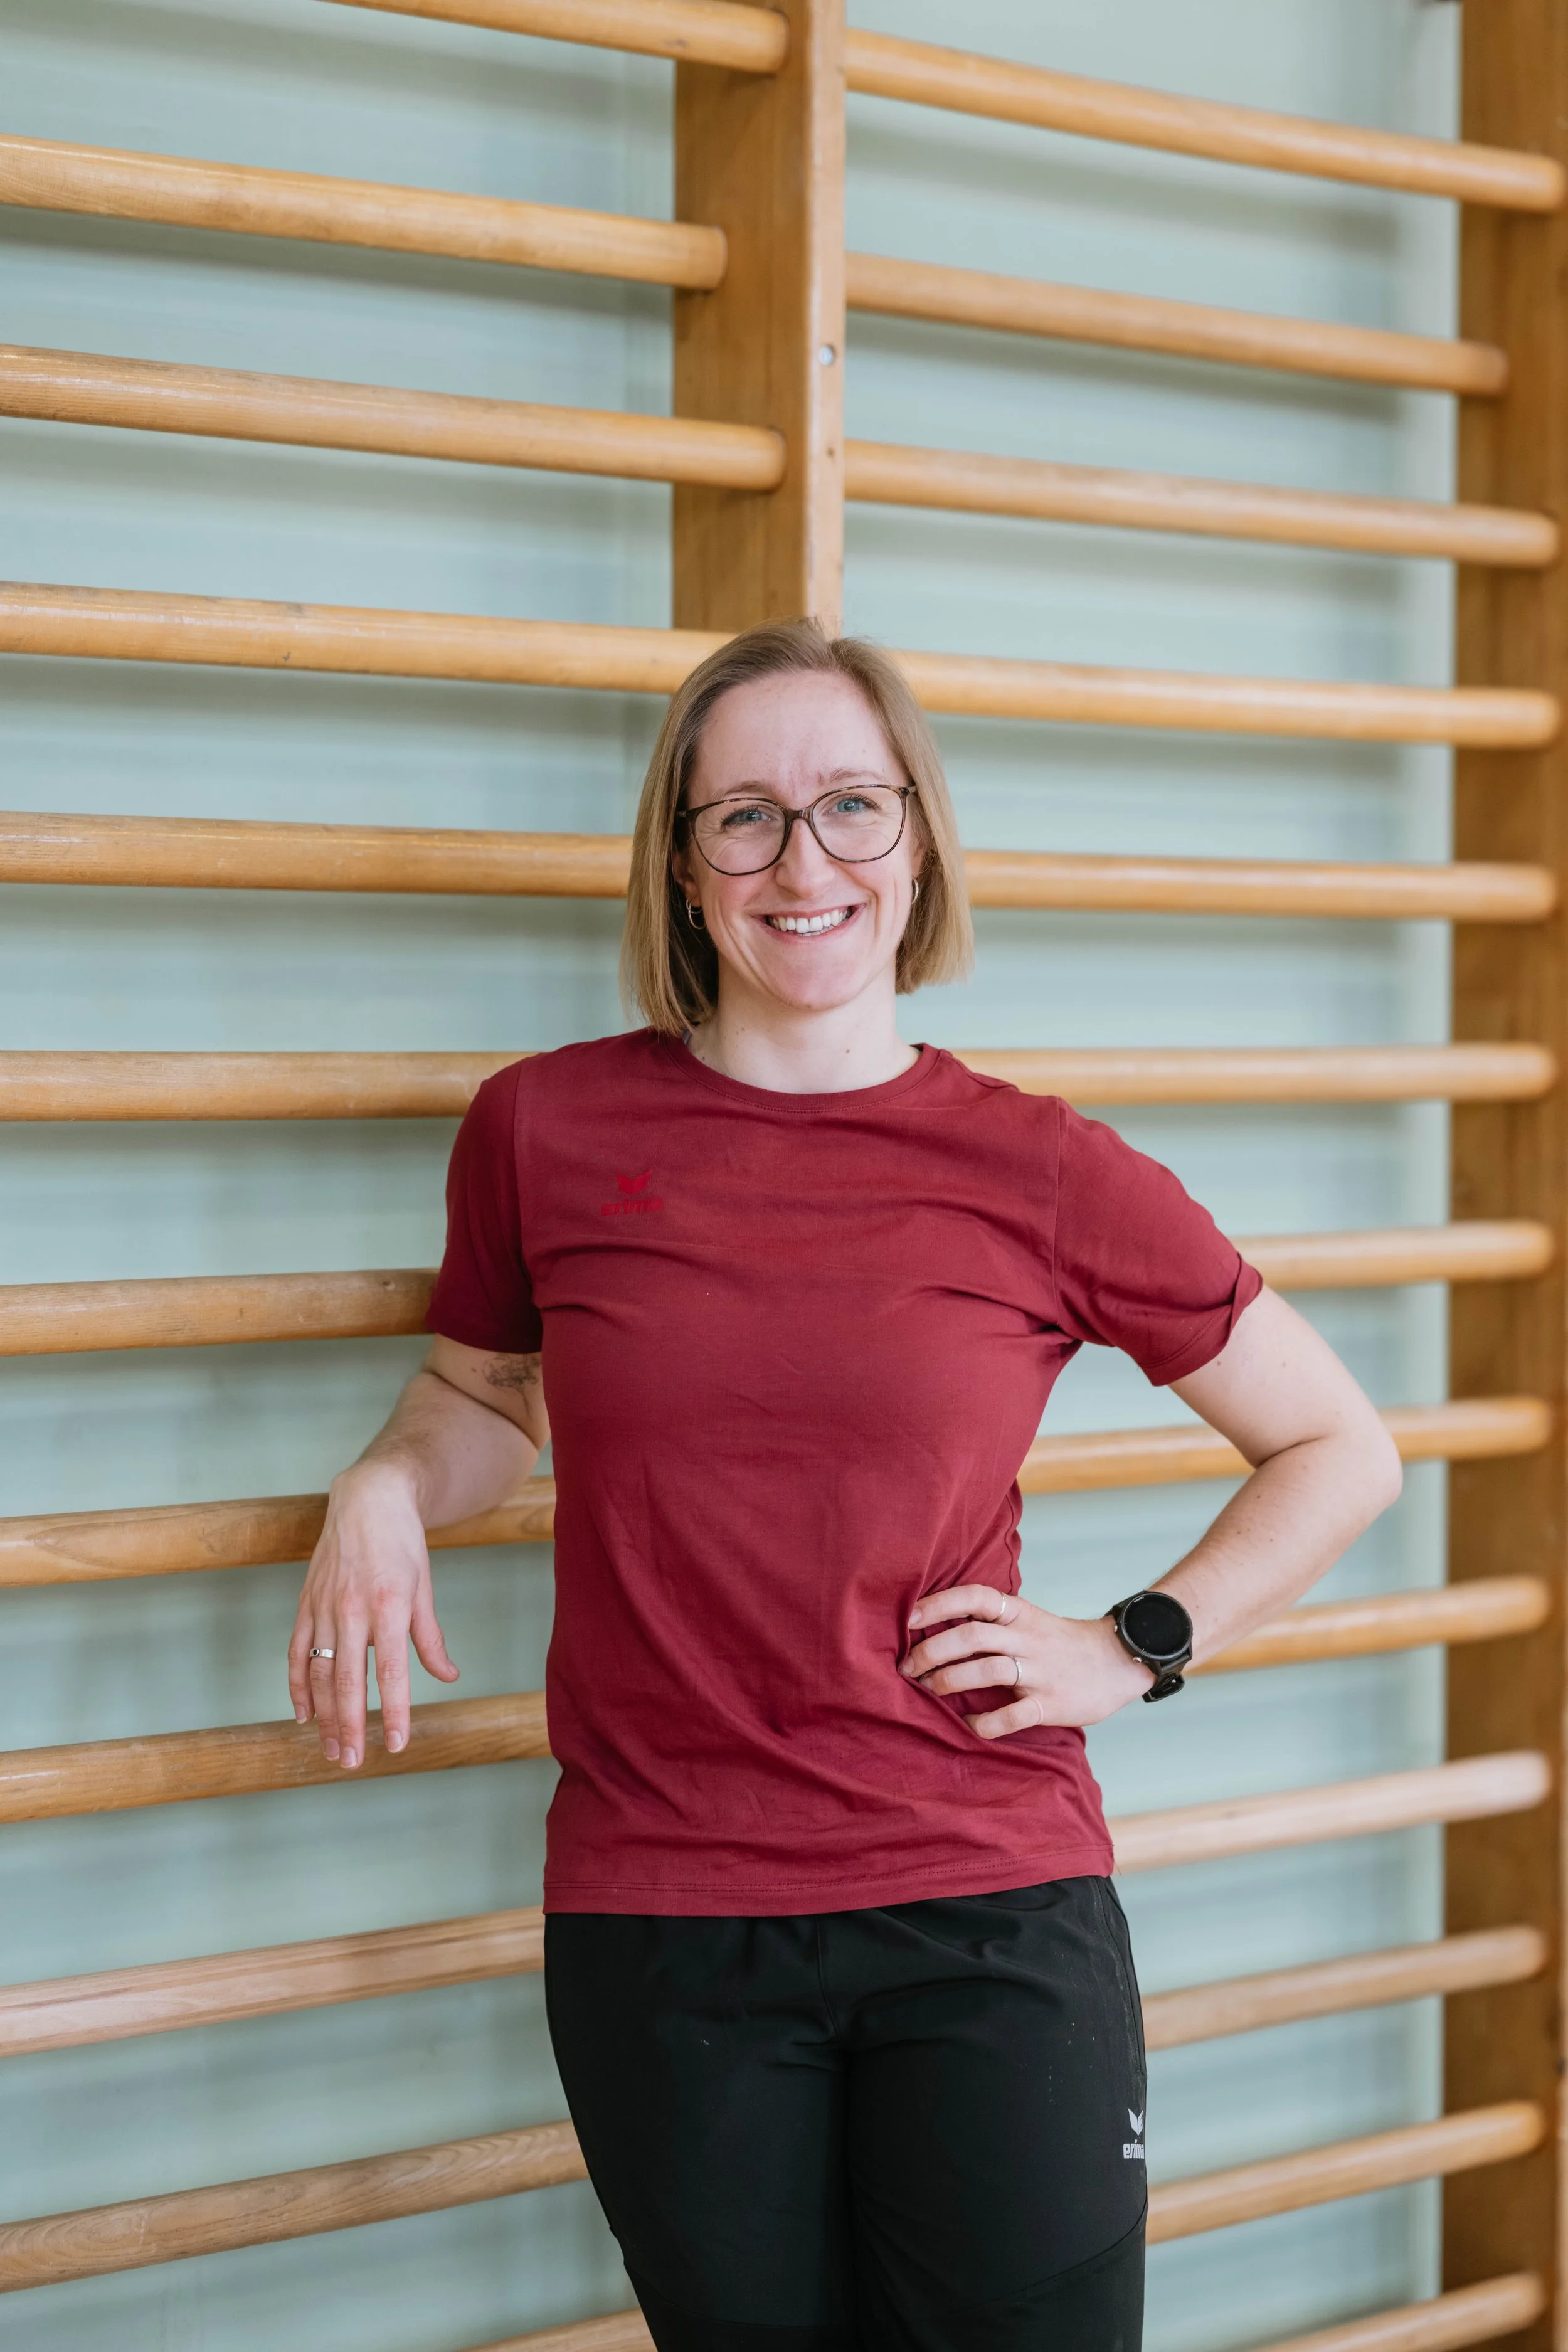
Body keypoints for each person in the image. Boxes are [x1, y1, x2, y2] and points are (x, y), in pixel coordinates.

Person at [289, 620, 1402, 2352]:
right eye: (744, 816)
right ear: (683, 864)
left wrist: (1131, 1644)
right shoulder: (542, 1130)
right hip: (664, 1915)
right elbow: (483, 1396)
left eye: (851, 806)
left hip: (987, 1902)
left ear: (918, 841)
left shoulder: (1043, 1167)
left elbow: (1340, 1445)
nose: (802, 862)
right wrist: (382, 1481)